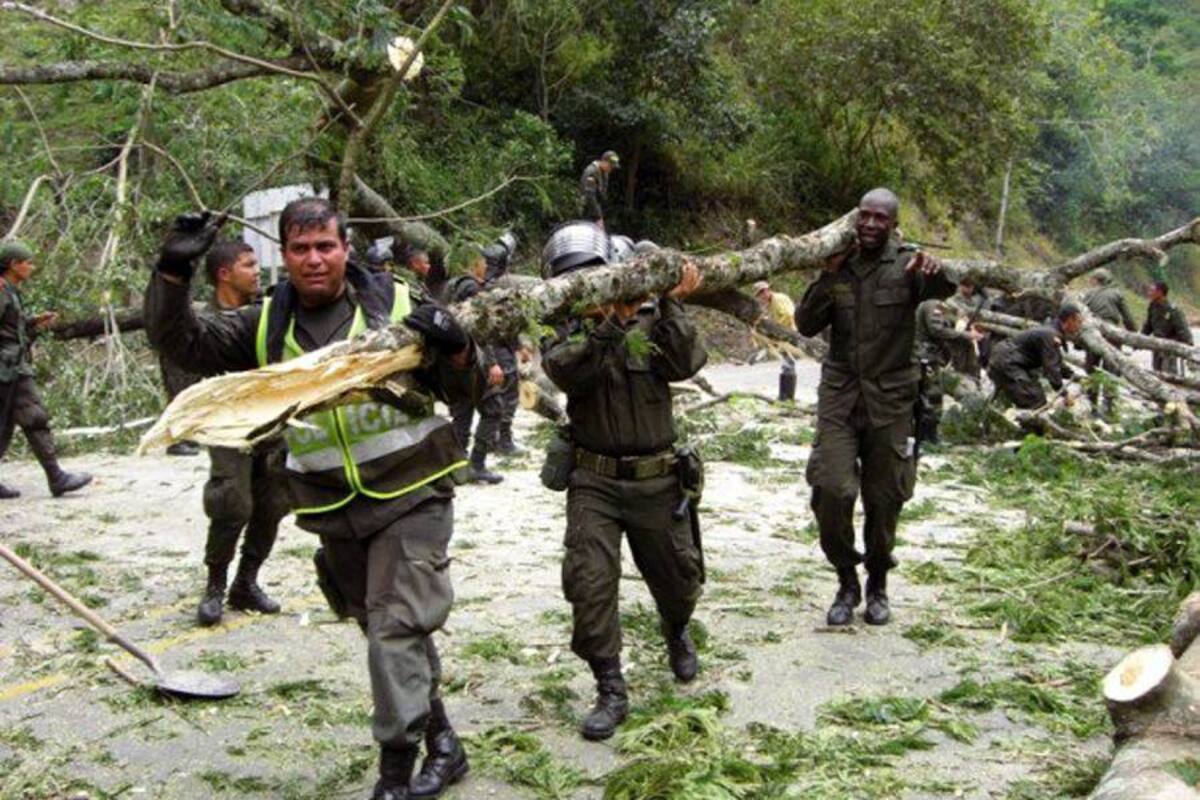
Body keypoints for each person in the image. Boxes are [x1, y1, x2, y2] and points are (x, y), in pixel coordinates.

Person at [145, 199, 481, 800]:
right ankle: (446, 743)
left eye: (325, 245)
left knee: (394, 626)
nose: (314, 259)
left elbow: (464, 388)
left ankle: (394, 774)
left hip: (413, 491)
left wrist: (459, 350)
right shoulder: (266, 324)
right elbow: (182, 343)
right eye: (300, 249)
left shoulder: (397, 306)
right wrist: (172, 274)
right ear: (285, 255)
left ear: (346, 248)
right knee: (386, 630)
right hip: (332, 506)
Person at [543, 254, 707, 742]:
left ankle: (676, 628)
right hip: (594, 481)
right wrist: (609, 323)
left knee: (679, 579)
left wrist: (673, 305)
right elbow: (566, 374)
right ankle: (610, 686)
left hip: (657, 478)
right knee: (590, 584)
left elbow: (687, 362)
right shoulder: (561, 328)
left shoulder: (653, 319)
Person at [795, 188, 954, 627]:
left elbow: (944, 286)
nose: (869, 225)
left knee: (885, 500)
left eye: (879, 218)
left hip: (891, 401)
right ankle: (846, 578)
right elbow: (806, 323)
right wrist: (827, 275)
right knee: (832, 489)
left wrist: (935, 270)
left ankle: (878, 582)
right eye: (863, 216)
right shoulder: (839, 263)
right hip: (841, 399)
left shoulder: (908, 264)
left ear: (893, 224)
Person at [190, 241, 291, 627]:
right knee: (232, 500)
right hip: (226, 422)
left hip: (270, 420)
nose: (257, 271)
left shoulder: (269, 313)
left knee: (274, 500)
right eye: (248, 265)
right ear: (224, 273)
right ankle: (215, 586)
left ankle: (246, 583)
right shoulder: (204, 322)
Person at [0, 240, 92, 500]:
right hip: (9, 369)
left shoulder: (10, 290)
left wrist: (32, 323)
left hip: (11, 367)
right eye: (27, 262)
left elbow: (9, 327)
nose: (32, 266)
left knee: (4, 424)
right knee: (35, 417)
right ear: (13, 265)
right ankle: (56, 477)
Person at [446, 247, 507, 484]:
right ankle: (476, 464)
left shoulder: (452, 286)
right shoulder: (471, 288)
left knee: (462, 414)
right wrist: (492, 363)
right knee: (493, 409)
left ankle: (456, 467)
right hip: (473, 362)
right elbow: (478, 328)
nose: (486, 267)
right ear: (474, 263)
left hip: (454, 362)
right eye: (483, 262)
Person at [912, 298, 984, 444]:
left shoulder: (936, 305)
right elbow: (936, 329)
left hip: (928, 356)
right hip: (926, 358)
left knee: (930, 396)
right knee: (932, 396)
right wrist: (966, 335)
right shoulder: (933, 304)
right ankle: (927, 437)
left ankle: (926, 435)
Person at [987, 304, 1083, 410]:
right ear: (1070, 320)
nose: (1080, 326)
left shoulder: (1051, 331)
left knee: (1027, 394)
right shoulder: (1051, 335)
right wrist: (1064, 394)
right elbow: (1051, 369)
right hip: (1008, 362)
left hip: (1006, 359)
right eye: (1078, 322)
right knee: (1036, 400)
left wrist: (1076, 377)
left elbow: (1057, 363)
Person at [1081, 269, 1136, 414]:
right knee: (1111, 368)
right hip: (1112, 334)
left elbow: (1080, 315)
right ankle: (1109, 406)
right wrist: (1134, 337)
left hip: (1092, 333)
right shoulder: (1117, 294)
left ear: (1096, 280)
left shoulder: (1088, 294)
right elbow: (1127, 317)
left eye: (1091, 279)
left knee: (1091, 368)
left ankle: (1092, 406)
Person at [752, 280, 798, 401]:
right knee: (786, 363)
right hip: (784, 335)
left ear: (767, 291)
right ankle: (785, 396)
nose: (761, 296)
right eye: (759, 294)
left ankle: (787, 397)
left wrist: (776, 329)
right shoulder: (771, 303)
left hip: (789, 334)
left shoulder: (778, 299)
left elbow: (788, 315)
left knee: (788, 363)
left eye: (762, 293)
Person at [1142, 281, 1193, 376]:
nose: (1149, 293)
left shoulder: (1172, 309)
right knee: (1156, 373)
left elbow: (1182, 329)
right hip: (1156, 345)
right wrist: (1139, 340)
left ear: (1160, 292)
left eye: (1152, 290)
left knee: (1169, 373)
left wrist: (1189, 348)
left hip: (1170, 347)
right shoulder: (1152, 307)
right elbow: (1148, 326)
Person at [579, 151, 619, 228]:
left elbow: (602, 195)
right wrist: (598, 217)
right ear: (604, 161)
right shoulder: (591, 172)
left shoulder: (604, 173)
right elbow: (590, 196)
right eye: (610, 166)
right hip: (588, 212)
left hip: (597, 211)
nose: (611, 169)